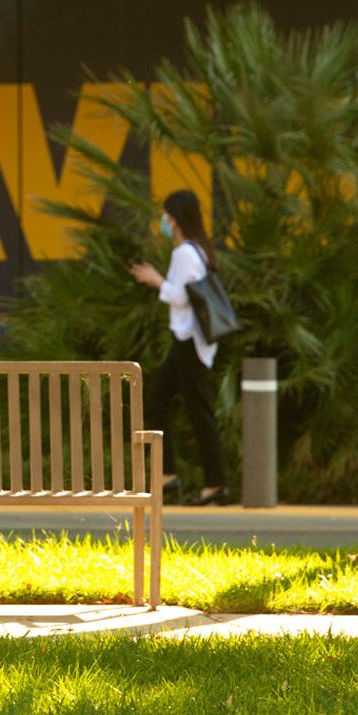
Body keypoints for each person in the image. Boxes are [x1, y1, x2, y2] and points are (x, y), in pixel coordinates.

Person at [129, 191, 228, 506]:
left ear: (177, 218)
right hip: (187, 341)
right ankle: (169, 477)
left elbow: (183, 296)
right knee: (160, 402)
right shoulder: (197, 250)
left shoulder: (185, 253)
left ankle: (214, 484)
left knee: (194, 412)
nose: (165, 222)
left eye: (167, 216)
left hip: (189, 342)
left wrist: (156, 280)